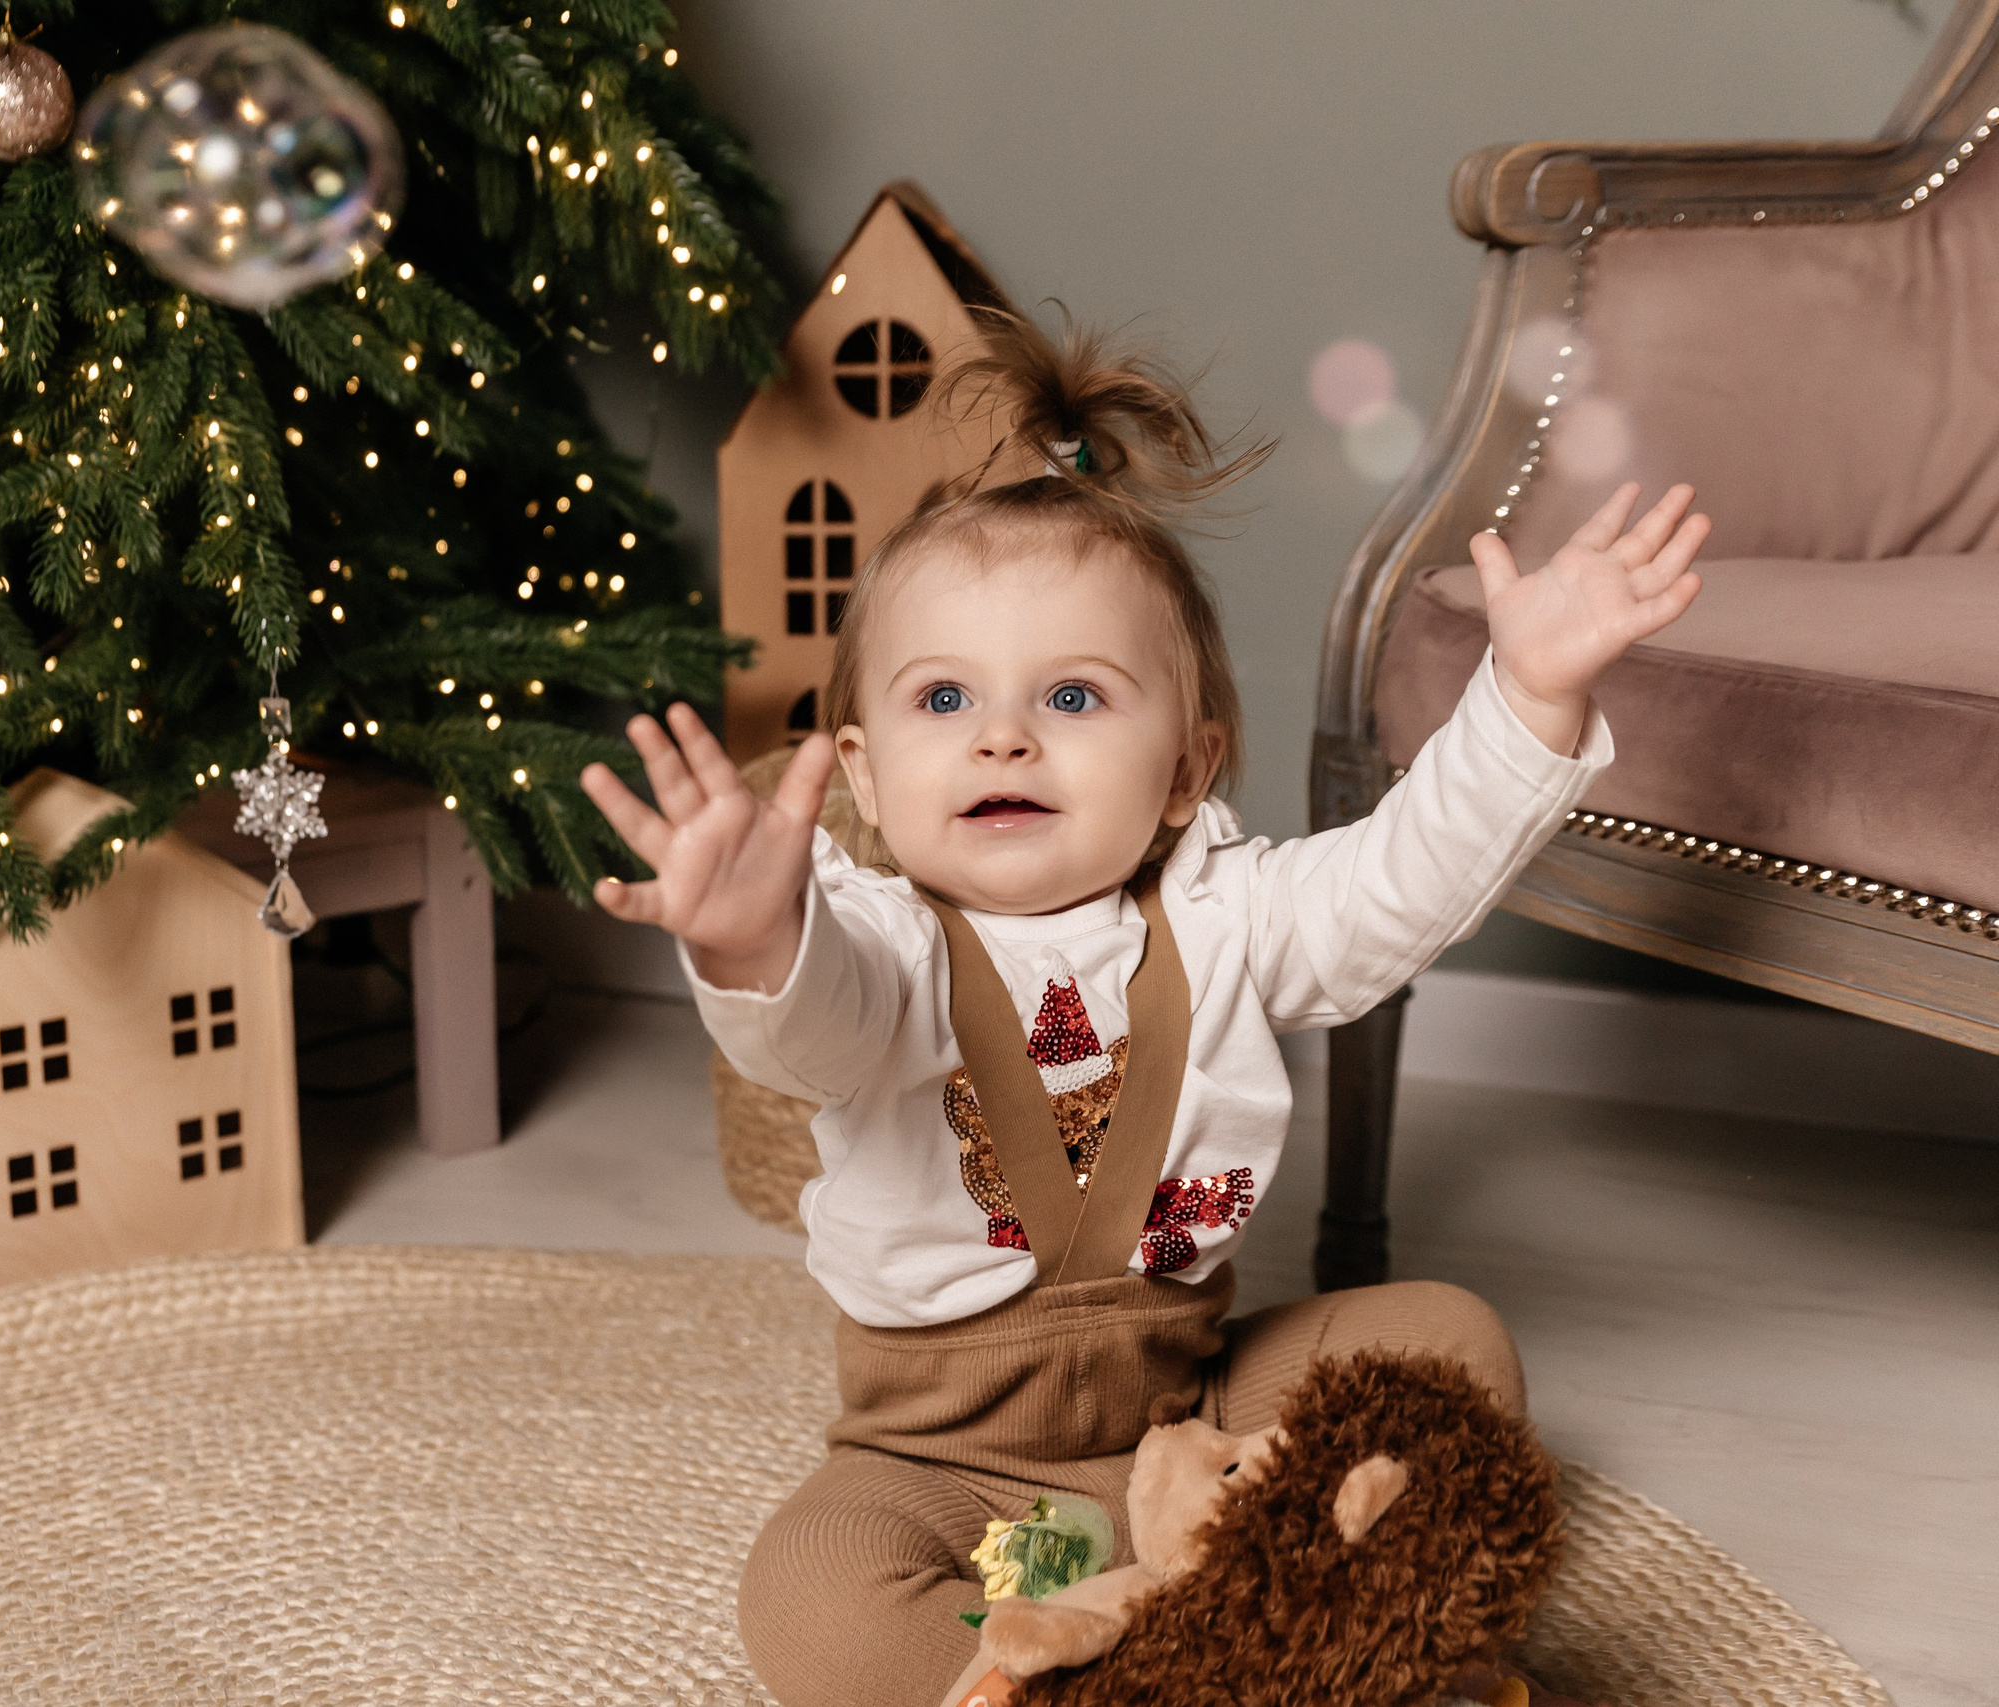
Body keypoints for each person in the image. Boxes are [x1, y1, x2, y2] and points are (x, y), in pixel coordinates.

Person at [578, 309, 1709, 1707]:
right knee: (808, 1588)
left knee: (1451, 1341)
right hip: (934, 1465)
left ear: (1186, 768)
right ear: (864, 778)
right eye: (945, 698)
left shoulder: (1231, 914)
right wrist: (756, 935)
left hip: (1192, 1418)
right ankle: (1127, 1668)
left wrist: (1526, 698)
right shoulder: (877, 940)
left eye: (1072, 694)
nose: (1004, 735)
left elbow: (1397, 888)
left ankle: (1273, 1615)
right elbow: (814, 1019)